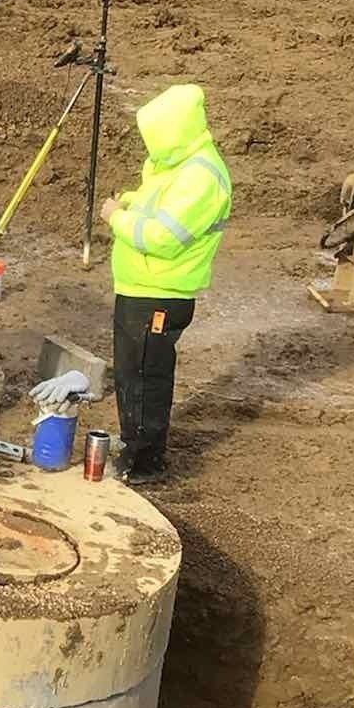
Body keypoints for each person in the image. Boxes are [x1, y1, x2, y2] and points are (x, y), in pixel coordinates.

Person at [101, 83, 232, 484]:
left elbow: (162, 237)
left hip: (160, 293)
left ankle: (143, 462)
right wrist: (130, 203)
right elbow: (156, 206)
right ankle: (136, 447)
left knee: (145, 378)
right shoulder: (176, 165)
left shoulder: (201, 177)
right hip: (141, 288)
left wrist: (115, 217)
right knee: (132, 374)